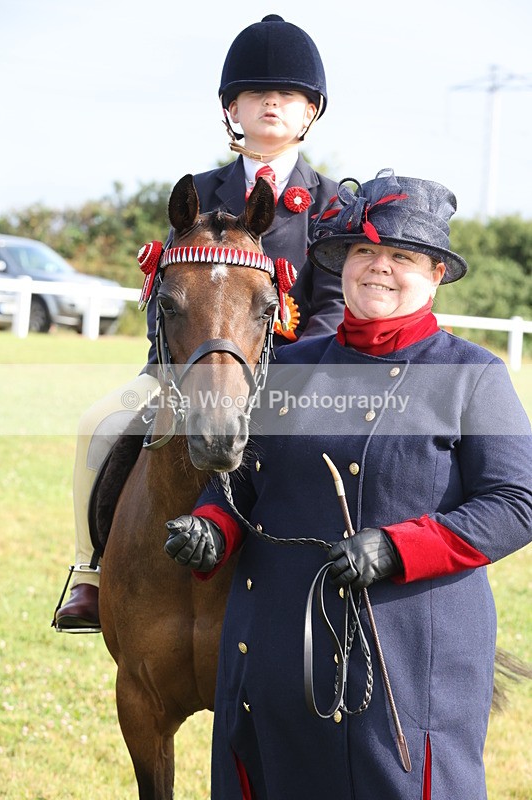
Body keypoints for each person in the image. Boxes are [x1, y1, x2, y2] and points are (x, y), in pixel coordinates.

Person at [164, 168, 532, 799]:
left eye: (402, 256)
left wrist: (398, 547)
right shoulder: (290, 363)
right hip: (275, 650)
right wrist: (213, 526)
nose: (379, 267)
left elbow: (517, 503)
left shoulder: (475, 374)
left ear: (436, 273)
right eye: (365, 251)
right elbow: (245, 479)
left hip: (403, 658)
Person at [54, 14, 343, 632]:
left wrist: (291, 375)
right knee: (94, 424)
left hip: (292, 374)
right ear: (230, 107)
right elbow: (167, 294)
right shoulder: (197, 191)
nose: (272, 102)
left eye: (288, 94)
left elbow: (334, 304)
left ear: (310, 111)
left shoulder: (333, 205)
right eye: (256, 93)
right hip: (186, 369)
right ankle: (90, 575)